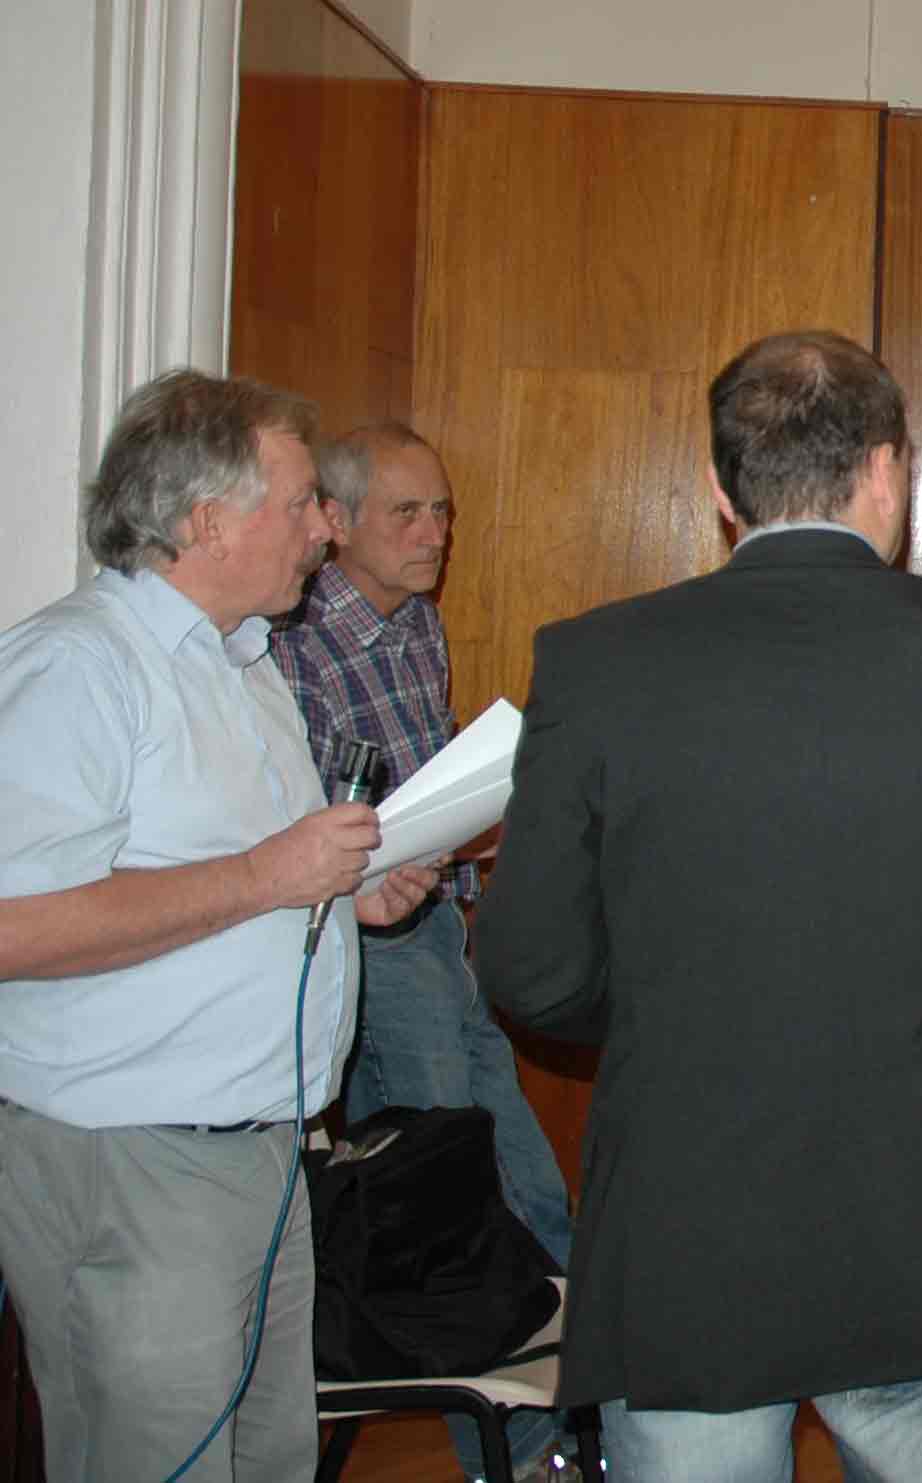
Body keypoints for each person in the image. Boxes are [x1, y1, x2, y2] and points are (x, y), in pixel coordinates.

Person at [473, 330, 922, 1480]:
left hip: (690, 1225)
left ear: (719, 489)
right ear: (888, 472)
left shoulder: (596, 662)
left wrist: (662, 1014)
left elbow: (529, 969)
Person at [0, 370, 434, 1482]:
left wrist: (344, 893)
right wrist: (266, 875)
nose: (325, 528)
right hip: (134, 1162)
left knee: (264, 1458)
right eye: (300, 503)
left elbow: (238, 880)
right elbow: (13, 926)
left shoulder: (244, 664)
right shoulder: (79, 666)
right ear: (206, 521)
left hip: (260, 1153)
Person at [270, 421, 578, 1481]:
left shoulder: (418, 625)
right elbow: (290, 832)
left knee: (531, 1185)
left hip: (441, 927)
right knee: (447, 1207)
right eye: (408, 512)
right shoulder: (293, 644)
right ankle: (519, 1454)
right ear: (337, 520)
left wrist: (479, 829)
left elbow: (427, 776)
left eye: (442, 509)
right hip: (373, 950)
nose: (435, 532)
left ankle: (576, 1419)